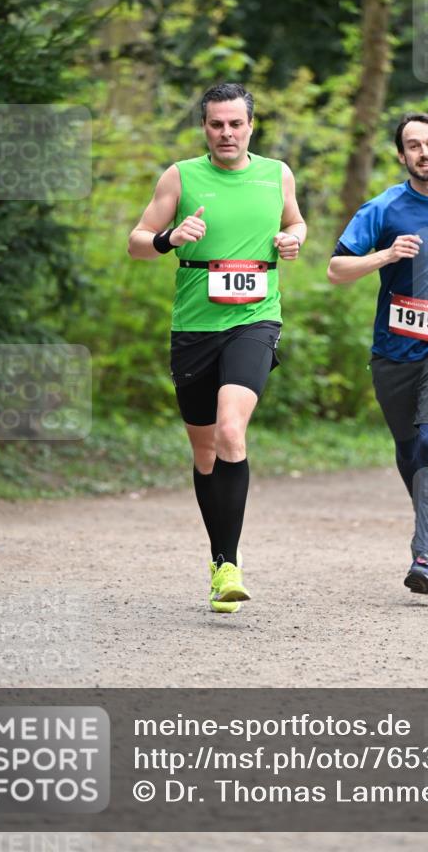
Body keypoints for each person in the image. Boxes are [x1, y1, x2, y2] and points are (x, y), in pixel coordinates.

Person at [128, 83, 306, 613]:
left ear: (251, 126)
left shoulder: (277, 174)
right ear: (204, 127)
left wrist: (294, 237)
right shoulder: (180, 176)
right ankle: (218, 558)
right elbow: (137, 241)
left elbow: (294, 218)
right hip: (194, 328)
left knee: (232, 429)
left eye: (235, 124)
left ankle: (230, 566)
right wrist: (169, 239)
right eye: (215, 124)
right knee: (205, 451)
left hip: (255, 319)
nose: (226, 133)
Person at [327, 113, 428, 594]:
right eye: (413, 145)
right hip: (394, 350)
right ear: (402, 156)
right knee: (409, 449)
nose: (424, 152)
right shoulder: (383, 208)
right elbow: (337, 269)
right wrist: (386, 255)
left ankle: (426, 556)